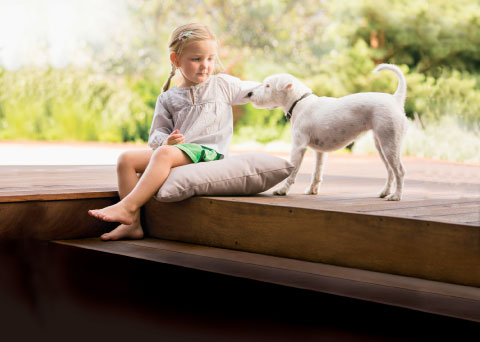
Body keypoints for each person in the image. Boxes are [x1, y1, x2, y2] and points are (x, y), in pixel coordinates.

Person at [88, 23, 259, 241]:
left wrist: (284, 90)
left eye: (210, 59)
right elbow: (156, 135)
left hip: (210, 153)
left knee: (164, 154)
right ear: (175, 60)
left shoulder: (222, 85)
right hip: (179, 153)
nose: (205, 65)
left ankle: (128, 207)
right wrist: (165, 141)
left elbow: (258, 90)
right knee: (126, 159)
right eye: (196, 59)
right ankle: (132, 225)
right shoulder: (167, 98)